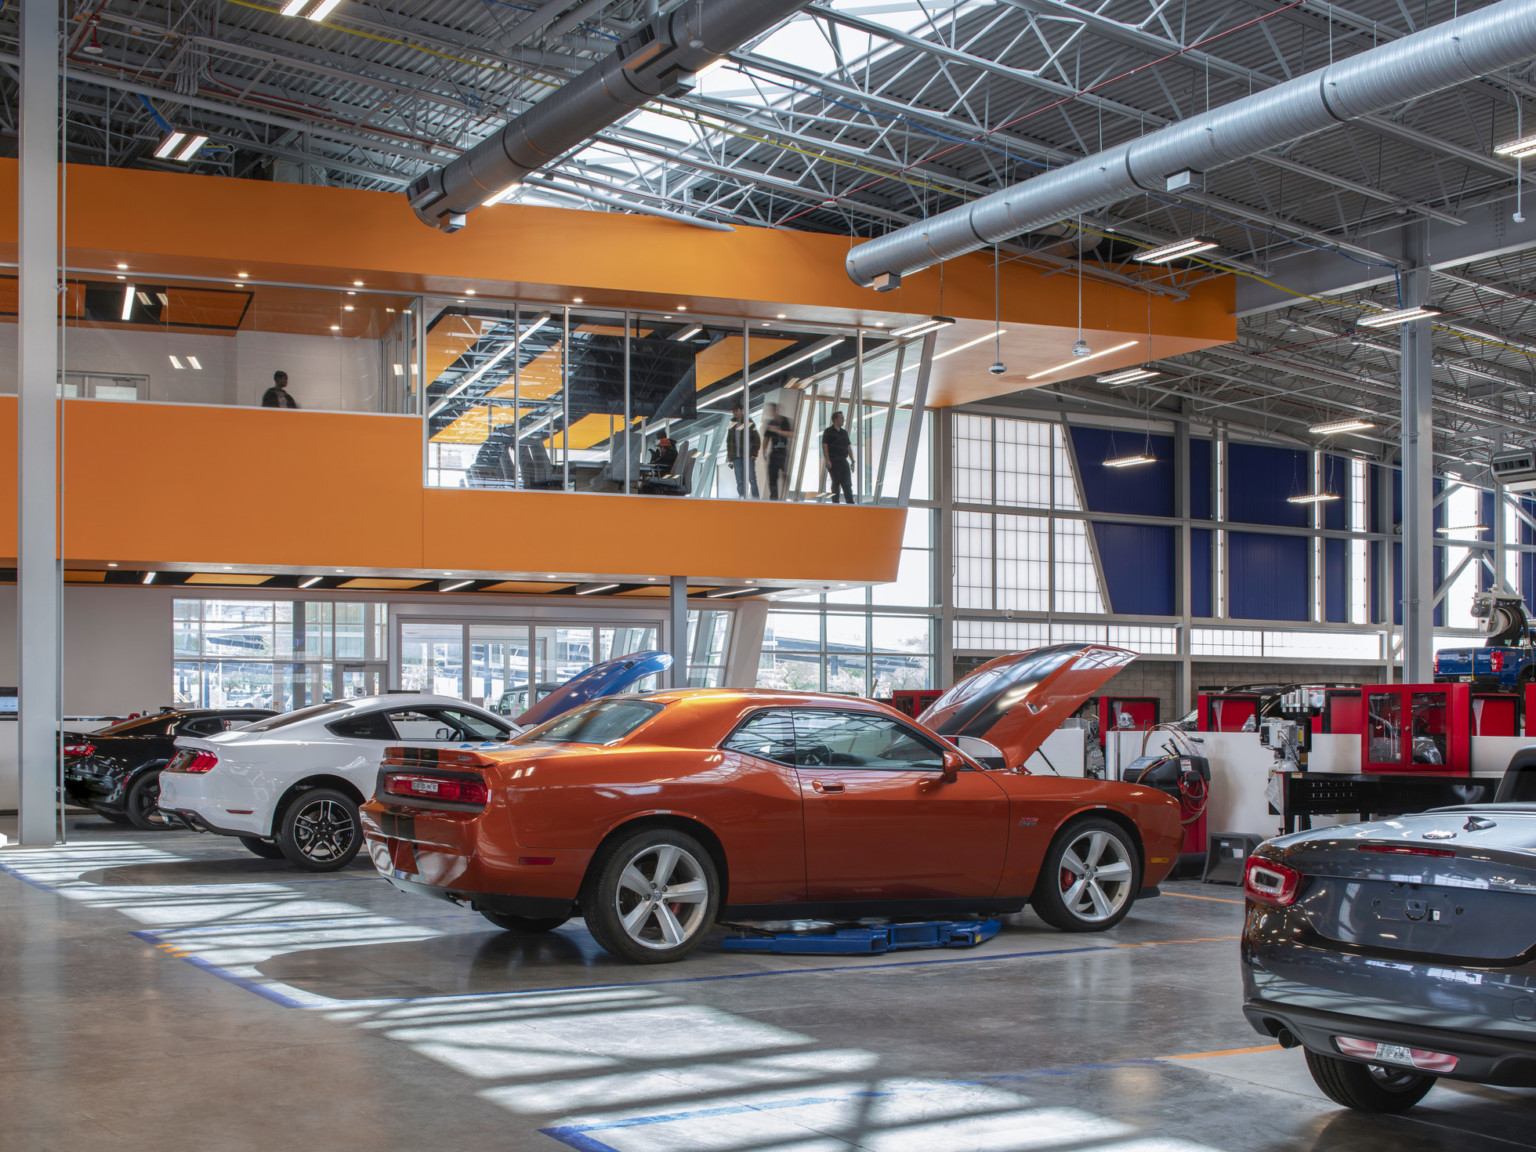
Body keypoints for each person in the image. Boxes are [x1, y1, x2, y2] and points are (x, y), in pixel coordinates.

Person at [726, 402, 760, 499]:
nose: (735, 413)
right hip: (736, 456)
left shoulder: (749, 423)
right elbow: (729, 441)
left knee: (751, 478)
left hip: (748, 455)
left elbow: (756, 439)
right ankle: (742, 498)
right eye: (733, 411)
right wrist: (729, 455)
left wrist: (754, 453)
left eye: (736, 410)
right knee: (740, 480)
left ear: (741, 410)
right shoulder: (732, 425)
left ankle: (756, 499)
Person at [822, 409, 854, 504]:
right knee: (836, 482)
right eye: (841, 418)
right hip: (833, 460)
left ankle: (850, 503)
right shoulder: (828, 431)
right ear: (835, 420)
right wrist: (828, 460)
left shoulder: (844, 433)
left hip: (843, 460)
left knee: (847, 483)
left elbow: (848, 447)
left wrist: (852, 460)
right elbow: (825, 446)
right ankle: (835, 503)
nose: (843, 420)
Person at [764, 402, 794, 501]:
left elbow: (791, 434)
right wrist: (763, 450)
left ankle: (787, 494)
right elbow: (766, 438)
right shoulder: (770, 423)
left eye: (773, 410)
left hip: (782, 452)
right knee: (772, 477)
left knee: (783, 472)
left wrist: (777, 430)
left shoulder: (785, 421)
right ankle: (774, 498)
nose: (772, 412)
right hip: (774, 452)